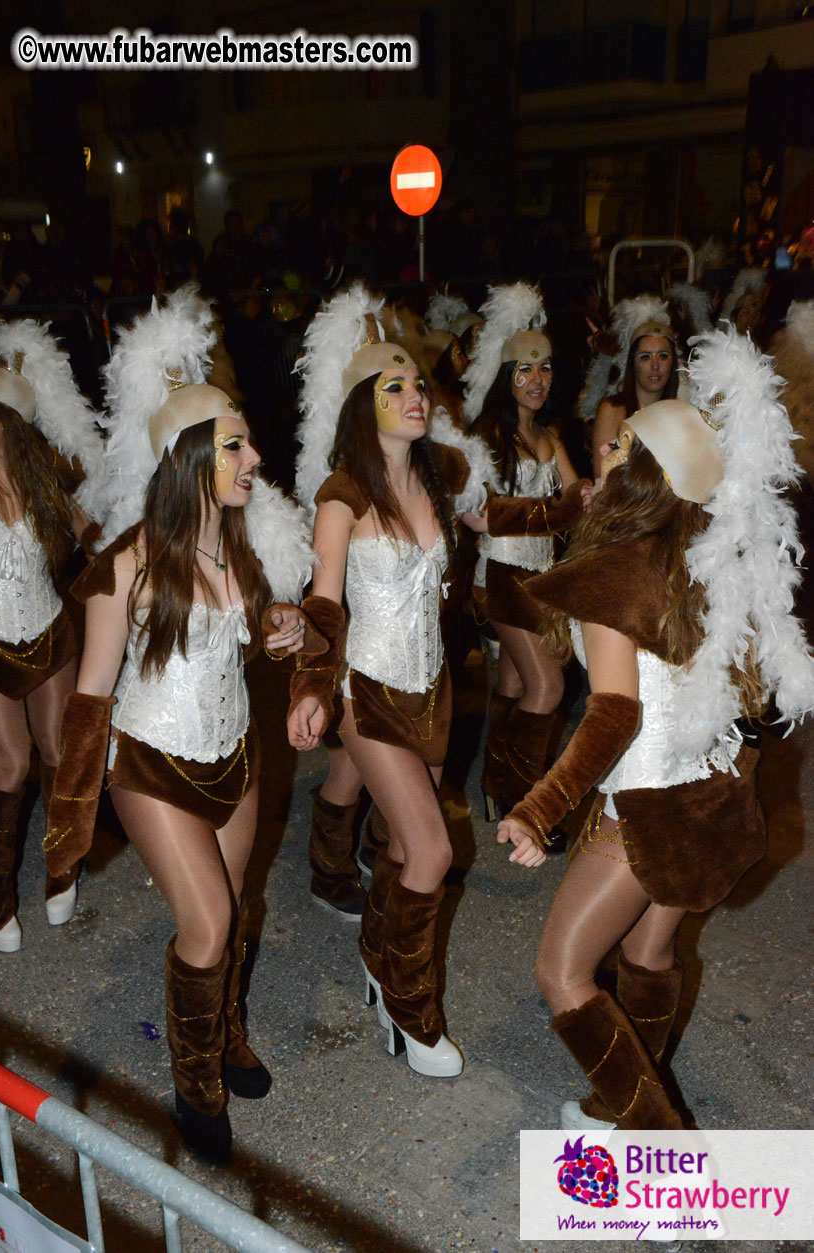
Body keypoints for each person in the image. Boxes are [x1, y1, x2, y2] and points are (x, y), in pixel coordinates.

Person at [496, 324, 814, 1131]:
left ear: (643, 471)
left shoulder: (615, 570)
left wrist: (542, 804)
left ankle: (656, 1142)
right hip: (721, 791)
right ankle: (622, 1094)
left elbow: (615, 711)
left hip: (653, 801)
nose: (601, 453)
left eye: (615, 448)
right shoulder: (712, 553)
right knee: (647, 953)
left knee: (561, 971)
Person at [44, 287, 314, 1162]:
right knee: (204, 924)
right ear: (192, 457)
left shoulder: (238, 547)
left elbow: (248, 638)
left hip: (235, 755)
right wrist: (69, 823)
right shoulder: (127, 564)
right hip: (153, 764)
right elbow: (89, 698)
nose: (254, 457)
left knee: (234, 916)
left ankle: (223, 1030)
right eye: (236, 445)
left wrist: (281, 629)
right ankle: (194, 1079)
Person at [288, 284, 491, 1079]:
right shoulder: (341, 497)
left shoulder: (440, 474)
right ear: (360, 409)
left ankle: (378, 955)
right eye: (392, 387)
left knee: (408, 846)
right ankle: (410, 1009)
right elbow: (324, 606)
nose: (414, 395)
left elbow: (489, 517)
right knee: (435, 849)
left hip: (434, 690)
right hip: (366, 694)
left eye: (417, 384)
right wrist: (310, 686)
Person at [0, 314, 106, 951]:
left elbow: (91, 532)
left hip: (50, 632)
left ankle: (63, 867)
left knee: (59, 753)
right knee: (11, 765)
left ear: (11, 423)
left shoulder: (46, 480)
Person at [460, 283, 586, 821]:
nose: (537, 381)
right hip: (502, 574)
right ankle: (524, 801)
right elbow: (478, 515)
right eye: (525, 371)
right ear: (506, 377)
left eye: (546, 370)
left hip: (540, 572)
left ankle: (496, 782)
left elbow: (579, 496)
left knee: (514, 681)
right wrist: (559, 510)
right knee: (549, 685)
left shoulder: (550, 435)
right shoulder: (488, 435)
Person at [591, 316, 679, 480]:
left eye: (663, 356)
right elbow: (602, 477)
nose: (655, 366)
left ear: (673, 363)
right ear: (633, 363)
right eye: (645, 357)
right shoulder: (612, 409)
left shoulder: (680, 413)